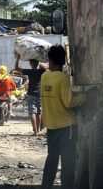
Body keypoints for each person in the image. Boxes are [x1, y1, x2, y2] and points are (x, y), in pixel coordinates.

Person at [40, 45, 86, 189]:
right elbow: (69, 102)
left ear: (50, 60)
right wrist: (85, 97)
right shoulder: (63, 78)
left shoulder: (44, 76)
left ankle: (46, 186)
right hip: (66, 127)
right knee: (68, 163)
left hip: (51, 126)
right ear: (64, 60)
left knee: (51, 160)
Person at [15, 54, 45, 135]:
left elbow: (16, 69)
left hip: (31, 93)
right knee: (39, 112)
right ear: (37, 63)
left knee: (32, 112)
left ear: (31, 64)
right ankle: (38, 130)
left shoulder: (30, 71)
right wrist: (42, 63)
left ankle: (35, 131)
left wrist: (17, 59)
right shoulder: (41, 71)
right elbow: (47, 68)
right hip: (39, 93)